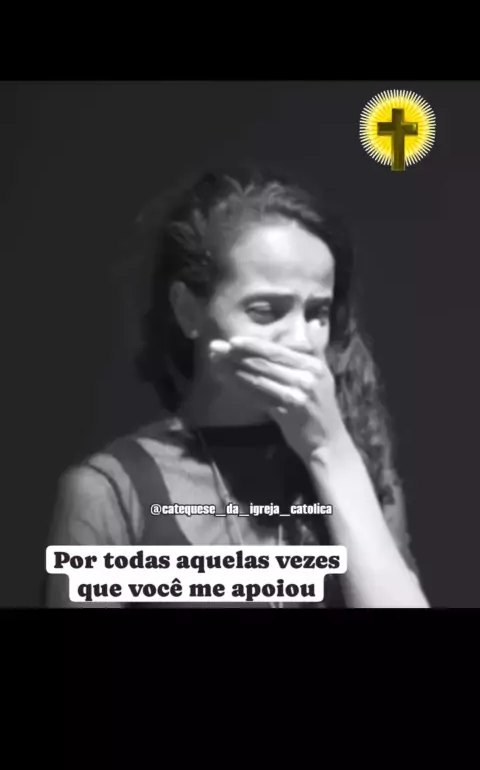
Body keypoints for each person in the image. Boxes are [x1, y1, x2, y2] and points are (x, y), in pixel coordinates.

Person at [46, 167, 429, 608]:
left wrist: (329, 450)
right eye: (266, 311)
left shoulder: (362, 466)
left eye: (317, 313)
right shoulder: (111, 490)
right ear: (188, 311)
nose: (302, 341)